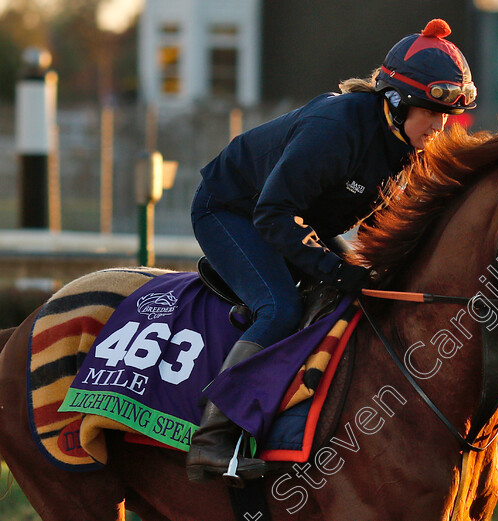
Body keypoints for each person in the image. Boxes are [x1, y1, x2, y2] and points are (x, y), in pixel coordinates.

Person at [186, 18, 478, 482]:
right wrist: (333, 268)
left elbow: (384, 227)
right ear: (397, 101)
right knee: (280, 307)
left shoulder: (409, 143)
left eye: (449, 116)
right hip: (232, 210)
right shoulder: (335, 128)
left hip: (297, 217)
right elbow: (273, 214)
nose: (441, 127)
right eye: (432, 112)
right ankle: (212, 440)